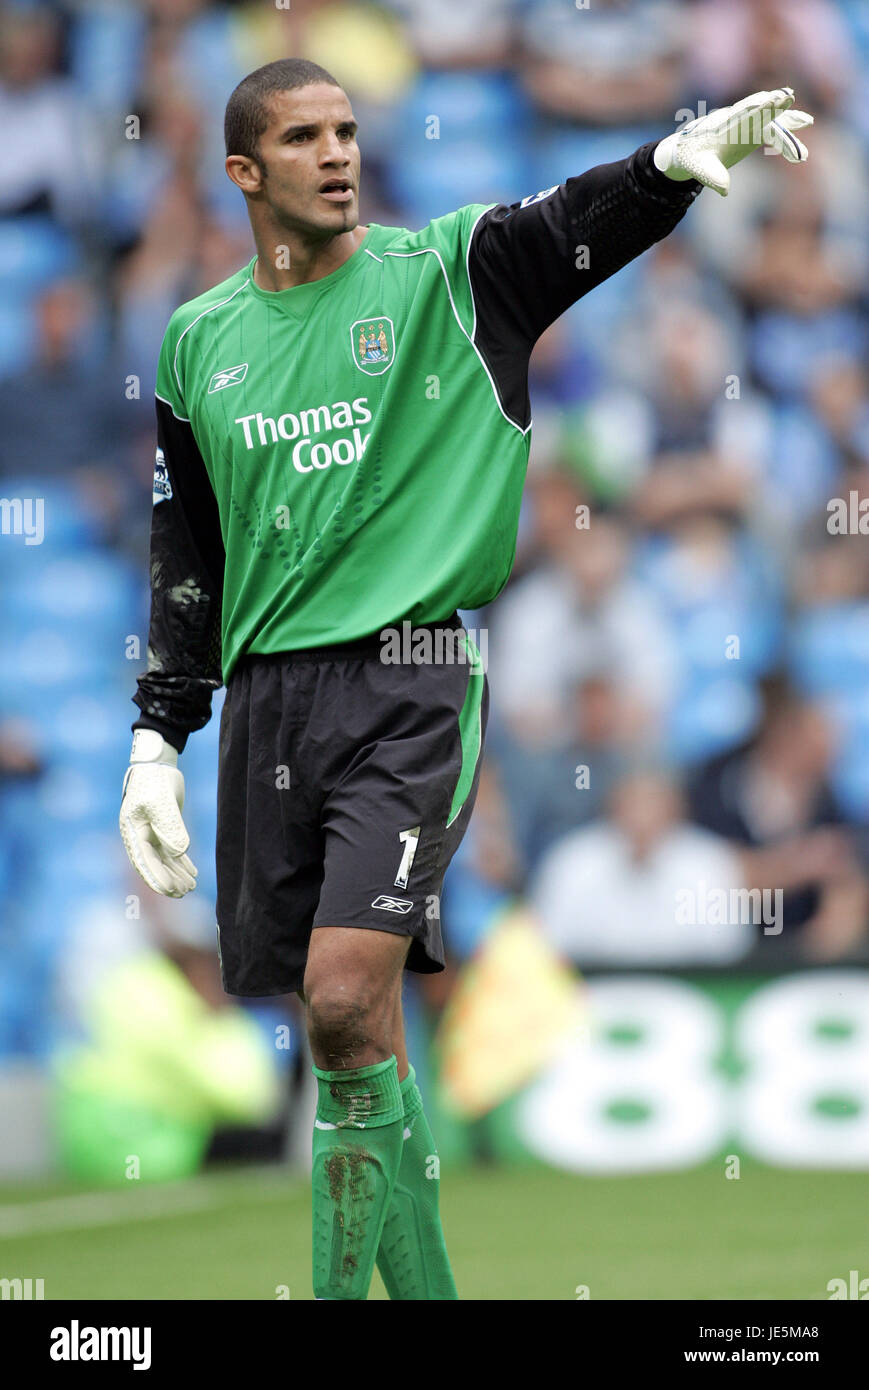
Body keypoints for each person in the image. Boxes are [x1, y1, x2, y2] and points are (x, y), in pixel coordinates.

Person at [119, 59, 812, 1300]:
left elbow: (565, 222)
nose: (337, 153)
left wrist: (659, 172)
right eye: (302, 137)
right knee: (355, 1039)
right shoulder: (196, 343)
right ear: (243, 173)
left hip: (411, 681)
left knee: (340, 999)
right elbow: (189, 555)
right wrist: (155, 737)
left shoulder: (446, 274)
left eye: (346, 129)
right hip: (270, 698)